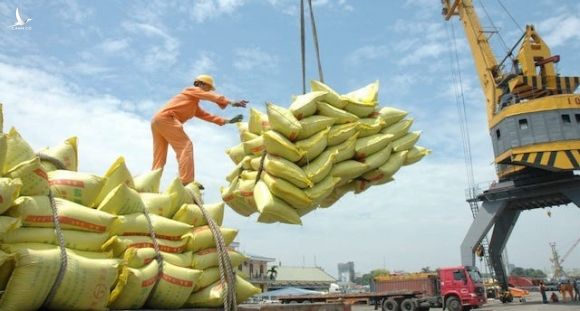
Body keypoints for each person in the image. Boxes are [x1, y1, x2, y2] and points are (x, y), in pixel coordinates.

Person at [151, 74, 247, 186]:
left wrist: (228, 121)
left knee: (160, 156)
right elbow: (209, 96)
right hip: (166, 119)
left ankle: (151, 182)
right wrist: (231, 102)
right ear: (201, 84)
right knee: (185, 146)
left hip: (157, 121)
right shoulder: (191, 90)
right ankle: (186, 181)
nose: (209, 90)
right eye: (208, 87)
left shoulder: (193, 104)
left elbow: (207, 116)